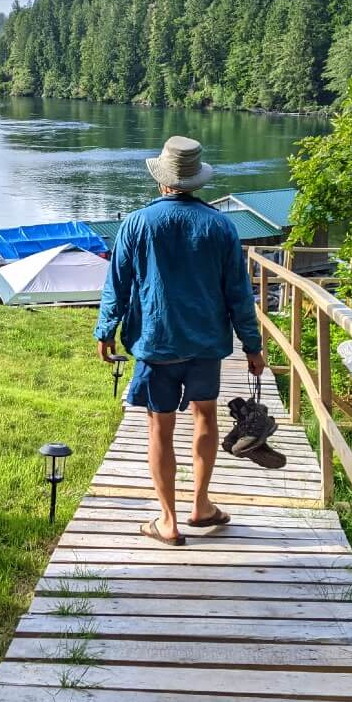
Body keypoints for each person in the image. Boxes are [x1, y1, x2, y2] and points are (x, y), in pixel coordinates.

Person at [95, 136, 265, 545]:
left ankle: (167, 520)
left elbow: (117, 284)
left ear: (162, 181)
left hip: (156, 342)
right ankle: (201, 504)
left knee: (160, 427)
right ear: (196, 180)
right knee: (205, 417)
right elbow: (238, 292)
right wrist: (252, 346)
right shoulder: (221, 225)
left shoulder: (136, 223)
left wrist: (106, 330)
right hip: (206, 343)